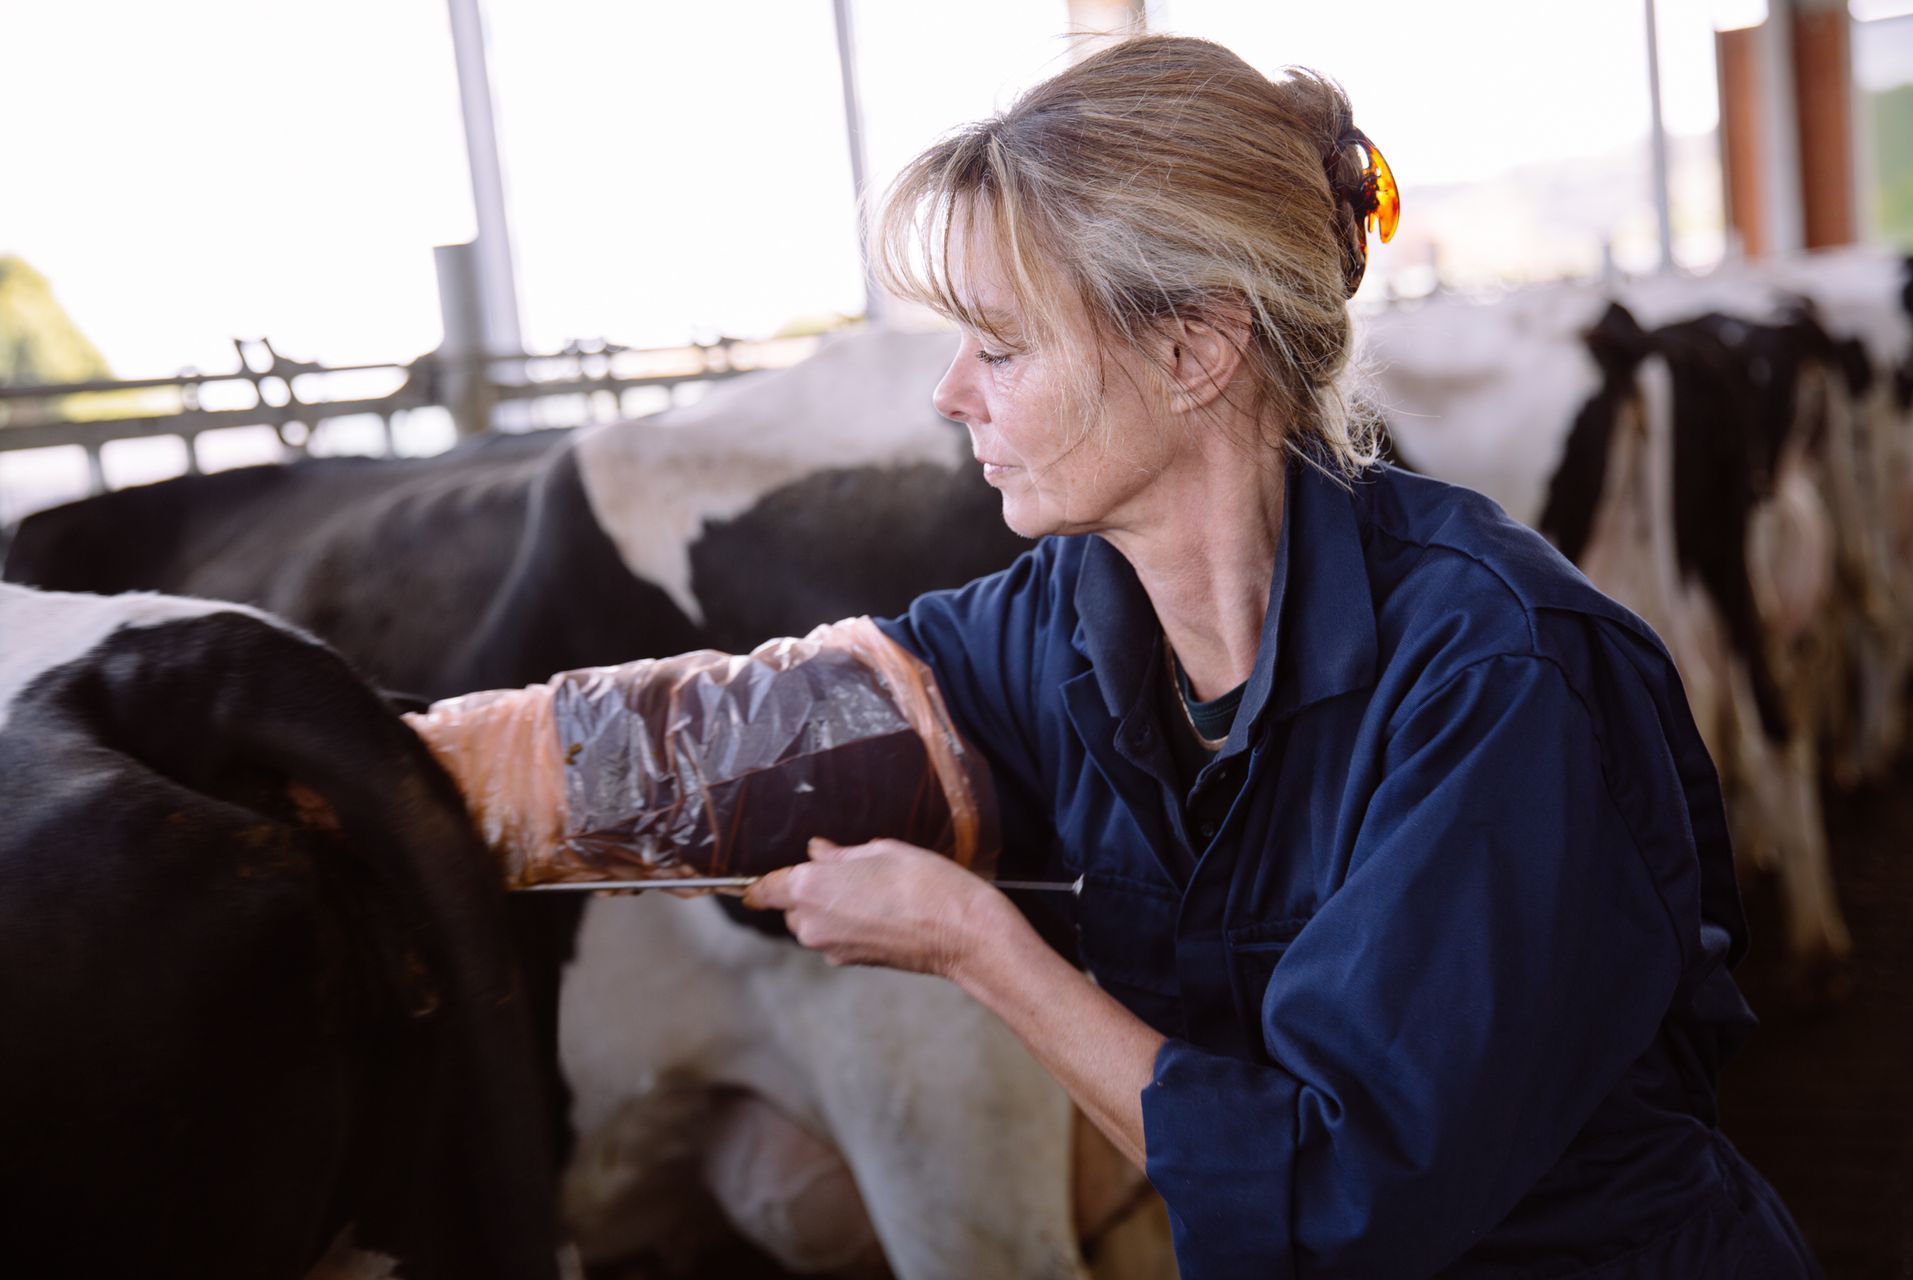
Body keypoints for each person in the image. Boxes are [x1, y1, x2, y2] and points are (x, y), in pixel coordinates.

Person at [745, 34, 1817, 1277]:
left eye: (1001, 344)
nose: (950, 393)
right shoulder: (1073, 616)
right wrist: (484, 761)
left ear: (1197, 348)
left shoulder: (1495, 678)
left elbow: (1342, 1196)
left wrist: (976, 945)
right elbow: (808, 708)